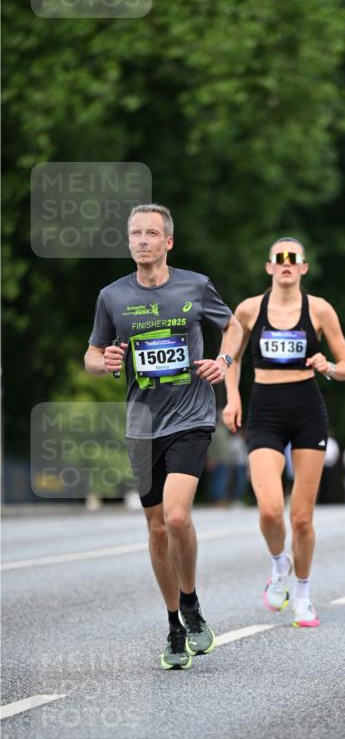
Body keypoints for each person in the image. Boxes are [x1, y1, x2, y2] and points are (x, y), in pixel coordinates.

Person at [85, 204, 242, 670]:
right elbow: (92, 354)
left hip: (191, 417)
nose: (142, 240)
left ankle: (190, 602)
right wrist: (105, 362)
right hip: (142, 424)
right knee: (155, 528)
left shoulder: (194, 286)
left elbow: (232, 326)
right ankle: (174, 623)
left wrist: (225, 363)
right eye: (135, 233)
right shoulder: (112, 297)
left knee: (176, 518)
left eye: (151, 233)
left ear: (168, 242)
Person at [223, 236, 345, 627]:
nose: (285, 263)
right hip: (265, 407)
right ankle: (280, 563)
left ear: (303, 267)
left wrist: (326, 365)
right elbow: (230, 356)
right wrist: (232, 397)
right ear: (268, 267)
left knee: (301, 518)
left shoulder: (320, 310)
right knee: (268, 509)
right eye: (278, 258)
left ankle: (302, 595)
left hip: (307, 409)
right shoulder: (249, 309)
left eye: (292, 258)